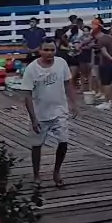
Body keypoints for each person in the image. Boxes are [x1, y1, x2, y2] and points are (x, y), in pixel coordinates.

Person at [21, 38, 77, 188]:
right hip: (40, 112)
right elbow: (27, 94)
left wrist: (73, 103)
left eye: (52, 50)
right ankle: (36, 174)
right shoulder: (32, 69)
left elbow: (68, 83)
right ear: (40, 50)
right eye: (46, 50)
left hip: (60, 110)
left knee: (64, 142)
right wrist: (33, 118)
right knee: (37, 145)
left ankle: (56, 171)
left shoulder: (61, 63)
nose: (49, 53)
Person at [93, 24, 112, 109]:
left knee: (106, 83)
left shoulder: (101, 40)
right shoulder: (111, 38)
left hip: (105, 64)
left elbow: (104, 52)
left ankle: (107, 102)